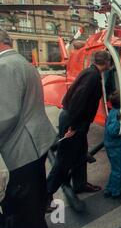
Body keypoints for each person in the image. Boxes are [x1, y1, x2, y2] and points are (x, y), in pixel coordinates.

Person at [0, 23, 57, 228]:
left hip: (19, 153)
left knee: (22, 218)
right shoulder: (20, 62)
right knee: (32, 209)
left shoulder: (2, 66)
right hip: (34, 146)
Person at [46, 50, 112, 208]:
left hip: (76, 120)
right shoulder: (93, 76)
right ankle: (45, 196)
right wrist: (73, 127)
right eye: (110, 62)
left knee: (81, 153)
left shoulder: (89, 72)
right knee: (64, 160)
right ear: (106, 62)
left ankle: (80, 184)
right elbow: (78, 101)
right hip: (74, 121)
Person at [103, 91, 121, 198]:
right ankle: (116, 192)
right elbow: (113, 131)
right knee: (119, 170)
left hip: (110, 145)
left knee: (114, 169)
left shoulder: (113, 111)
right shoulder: (118, 114)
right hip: (115, 147)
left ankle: (109, 188)